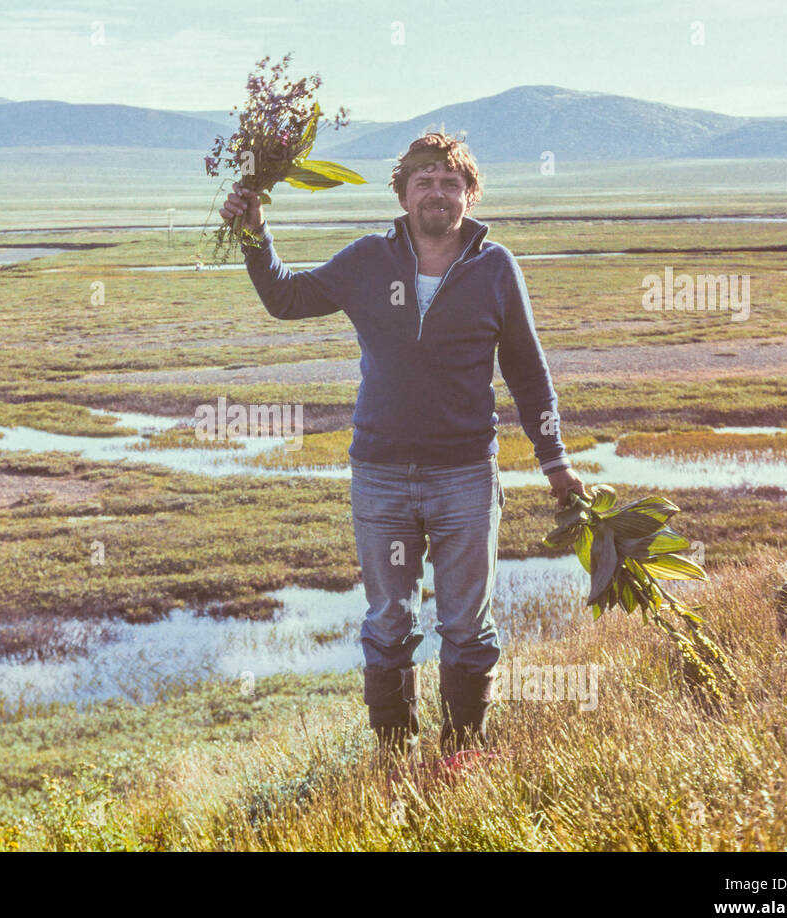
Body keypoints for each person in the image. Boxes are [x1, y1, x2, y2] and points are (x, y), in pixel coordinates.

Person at [221, 130, 589, 769]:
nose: (438, 193)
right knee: (389, 622)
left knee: (466, 626)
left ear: (469, 195)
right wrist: (254, 233)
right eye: (425, 181)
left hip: (466, 476)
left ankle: (460, 760)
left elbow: (529, 373)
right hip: (381, 476)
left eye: (451, 183)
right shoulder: (368, 260)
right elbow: (287, 298)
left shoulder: (496, 267)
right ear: (403, 193)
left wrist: (554, 459)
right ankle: (393, 761)